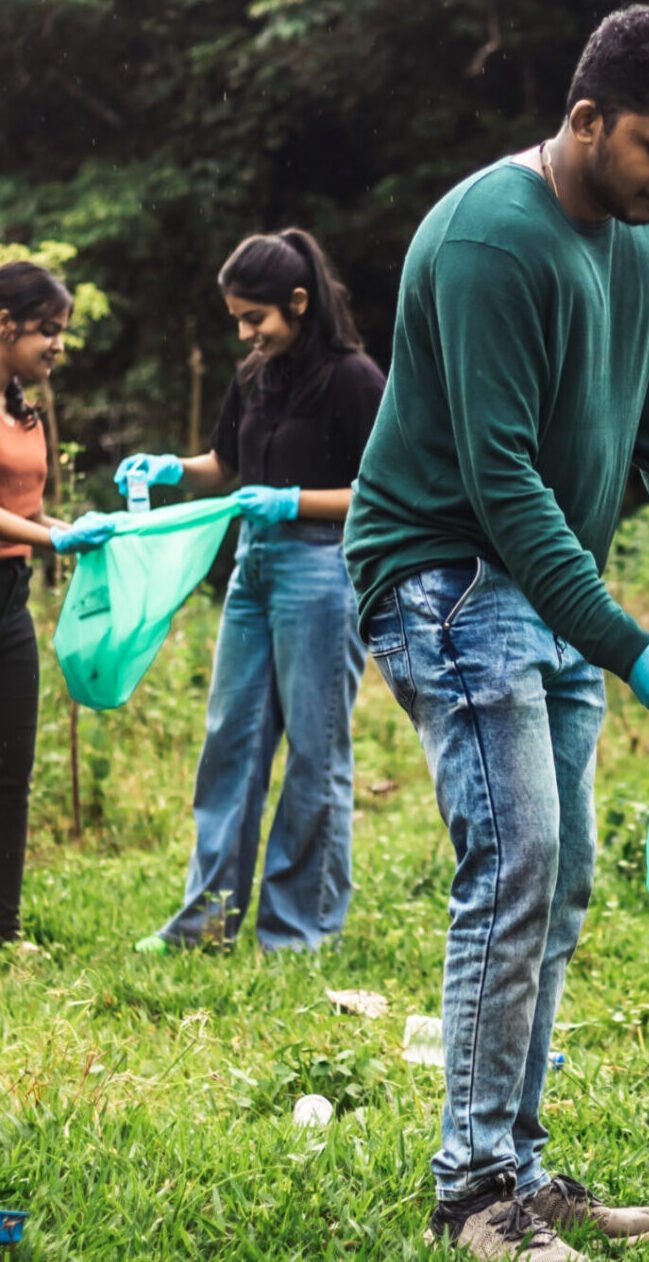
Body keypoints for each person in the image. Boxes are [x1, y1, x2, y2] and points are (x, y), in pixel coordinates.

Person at [344, 3, 649, 1257]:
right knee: (515, 870)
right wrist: (630, 642)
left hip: (542, 587)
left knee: (557, 883)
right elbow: (502, 482)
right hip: (447, 576)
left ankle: (517, 1162)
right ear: (586, 118)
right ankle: (471, 1197)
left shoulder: (642, 248)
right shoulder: (489, 242)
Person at [120, 229, 385, 954]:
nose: (245, 333)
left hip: (322, 572)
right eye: (238, 319)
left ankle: (298, 929)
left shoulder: (355, 379)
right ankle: (204, 923)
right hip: (253, 568)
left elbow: (381, 494)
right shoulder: (253, 376)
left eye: (254, 318)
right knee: (229, 745)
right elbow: (224, 462)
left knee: (314, 752)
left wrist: (293, 501)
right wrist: (170, 468)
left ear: (298, 303)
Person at [1, 261, 116, 943]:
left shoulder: (25, 413)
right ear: (5, 324)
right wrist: (54, 541)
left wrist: (76, 530)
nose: (58, 345)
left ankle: (5, 928)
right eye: (47, 330)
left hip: (10, 604)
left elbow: (28, 512)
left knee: (12, 769)